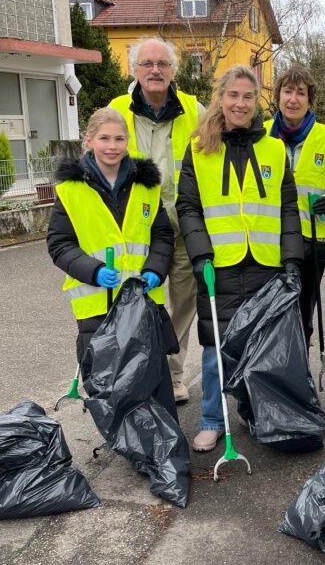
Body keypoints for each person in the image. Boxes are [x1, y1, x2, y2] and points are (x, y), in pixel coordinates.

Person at [177, 65, 304, 452]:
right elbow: (188, 206)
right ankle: (213, 420)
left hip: (265, 264)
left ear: (256, 101)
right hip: (220, 264)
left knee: (259, 347)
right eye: (233, 95)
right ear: (221, 97)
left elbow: (287, 208)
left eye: (248, 96)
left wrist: (292, 259)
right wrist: (200, 255)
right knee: (216, 347)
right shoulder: (199, 147)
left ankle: (252, 411)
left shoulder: (273, 148)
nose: (240, 103)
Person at [47, 107, 178, 420]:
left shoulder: (147, 186)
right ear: (89, 141)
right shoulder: (70, 191)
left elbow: (162, 235)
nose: (112, 145)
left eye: (119, 138)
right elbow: (59, 244)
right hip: (98, 306)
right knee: (111, 378)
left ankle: (164, 441)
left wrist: (154, 270)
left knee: (151, 373)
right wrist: (92, 270)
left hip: (143, 302)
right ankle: (128, 440)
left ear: (128, 141)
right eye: (104, 138)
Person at [109, 37, 203, 405]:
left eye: (162, 64)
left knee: (183, 303)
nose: (155, 70)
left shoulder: (194, 110)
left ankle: (174, 374)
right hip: (135, 227)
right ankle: (143, 373)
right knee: (140, 302)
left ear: (173, 71)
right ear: (134, 70)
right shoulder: (117, 109)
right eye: (147, 64)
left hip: (182, 225)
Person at [265, 66, 325, 349]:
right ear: (278, 96)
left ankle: (299, 373)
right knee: (271, 311)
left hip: (313, 241)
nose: (293, 99)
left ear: (309, 99)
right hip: (269, 239)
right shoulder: (262, 134)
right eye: (288, 91)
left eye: (300, 93)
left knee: (303, 309)